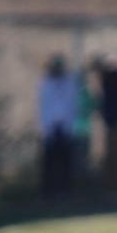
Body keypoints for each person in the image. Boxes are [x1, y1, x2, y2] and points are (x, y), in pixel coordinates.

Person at [38, 55, 80, 199]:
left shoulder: (69, 83)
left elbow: (72, 106)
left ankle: (65, 190)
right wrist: (47, 128)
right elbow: (44, 107)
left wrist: (69, 126)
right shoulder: (46, 84)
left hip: (65, 128)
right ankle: (48, 191)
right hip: (51, 128)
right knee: (49, 162)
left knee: (66, 161)